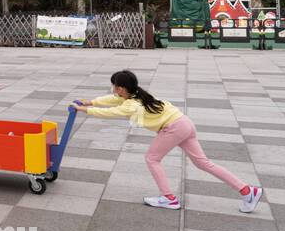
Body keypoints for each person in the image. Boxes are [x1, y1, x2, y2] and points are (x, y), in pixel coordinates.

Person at [72, 70, 263, 213]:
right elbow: (112, 100)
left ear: (121, 88)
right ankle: (247, 190)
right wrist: (91, 102)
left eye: (115, 86)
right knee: (203, 163)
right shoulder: (137, 94)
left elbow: (112, 111)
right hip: (184, 122)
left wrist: (84, 110)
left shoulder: (132, 103)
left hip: (172, 128)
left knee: (152, 158)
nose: (113, 90)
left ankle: (169, 198)